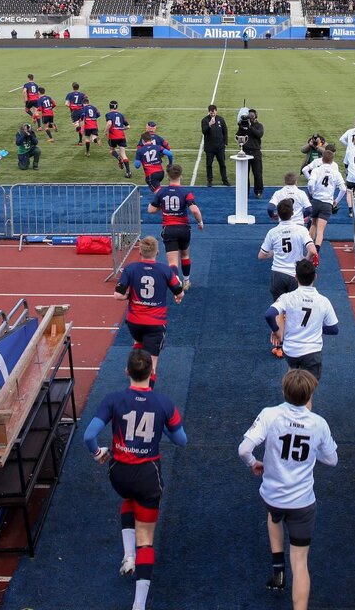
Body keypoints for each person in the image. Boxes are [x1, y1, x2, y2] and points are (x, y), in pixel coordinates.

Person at [84, 349, 188, 610]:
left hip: (118, 473)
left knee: (128, 498)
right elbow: (181, 440)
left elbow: (88, 436)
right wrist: (162, 424)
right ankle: (139, 605)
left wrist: (98, 453)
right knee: (147, 539)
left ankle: (128, 556)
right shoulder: (164, 403)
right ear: (152, 373)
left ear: (127, 372)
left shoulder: (113, 399)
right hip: (147, 476)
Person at [238, 369, 338, 609]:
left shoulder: (270, 415)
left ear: (284, 391)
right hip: (302, 503)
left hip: (272, 496)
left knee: (274, 516)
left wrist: (254, 464)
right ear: (310, 395)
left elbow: (244, 449)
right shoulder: (318, 424)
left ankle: (278, 570)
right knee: (300, 562)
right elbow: (332, 460)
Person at [114, 236, 185, 379]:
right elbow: (179, 292)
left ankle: (131, 368)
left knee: (138, 343)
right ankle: (144, 398)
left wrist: (131, 297)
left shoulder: (130, 269)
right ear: (157, 253)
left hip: (134, 322)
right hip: (155, 323)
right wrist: (178, 296)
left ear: (140, 252)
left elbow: (117, 295)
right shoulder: (165, 270)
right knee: (151, 367)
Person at [264, 259, 339, 372]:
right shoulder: (323, 301)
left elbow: (269, 314)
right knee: (308, 385)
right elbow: (334, 329)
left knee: (292, 376)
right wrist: (315, 327)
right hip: (312, 352)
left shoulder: (287, 298)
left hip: (291, 351)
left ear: (296, 277)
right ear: (315, 277)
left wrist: (276, 331)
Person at [147, 164, 204, 291]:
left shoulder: (161, 192)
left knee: (172, 262)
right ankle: (187, 281)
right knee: (184, 255)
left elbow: (150, 210)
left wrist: (163, 206)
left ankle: (175, 283)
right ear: (181, 176)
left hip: (169, 229)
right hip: (184, 229)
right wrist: (200, 223)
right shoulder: (186, 192)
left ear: (168, 176)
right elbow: (194, 210)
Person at [260, 199, 318, 301]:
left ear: (278, 213)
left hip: (277, 274)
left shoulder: (272, 232)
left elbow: (261, 255)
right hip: (294, 274)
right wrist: (305, 260)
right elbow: (313, 251)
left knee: (279, 310)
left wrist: (275, 252)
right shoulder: (301, 230)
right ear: (292, 213)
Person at [303, 149, 344, 249]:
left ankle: (308, 248)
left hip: (316, 201)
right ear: (332, 160)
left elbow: (310, 183)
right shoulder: (336, 173)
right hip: (327, 203)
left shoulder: (317, 170)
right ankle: (316, 252)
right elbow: (343, 189)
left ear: (322, 159)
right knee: (320, 230)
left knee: (313, 224)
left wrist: (312, 192)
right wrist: (336, 201)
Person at [200, 104, 230, 187]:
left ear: (216, 111)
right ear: (208, 112)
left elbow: (225, 131)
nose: (212, 114)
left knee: (222, 164)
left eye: (213, 113)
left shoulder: (221, 119)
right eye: (211, 113)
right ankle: (209, 180)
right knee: (209, 164)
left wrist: (225, 143)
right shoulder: (204, 120)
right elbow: (204, 131)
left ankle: (225, 179)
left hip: (220, 147)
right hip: (209, 147)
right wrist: (209, 125)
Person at [238, 108, 264, 199]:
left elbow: (259, 134)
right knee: (245, 174)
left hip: (256, 152)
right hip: (245, 152)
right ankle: (245, 192)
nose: (251, 118)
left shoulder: (259, 125)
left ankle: (259, 191)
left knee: (257, 173)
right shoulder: (244, 125)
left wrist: (250, 127)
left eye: (252, 116)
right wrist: (241, 125)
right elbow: (238, 135)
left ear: (255, 116)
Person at [106, 100, 132, 177]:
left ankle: (118, 158)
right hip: (121, 136)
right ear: (117, 107)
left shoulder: (108, 114)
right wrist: (121, 129)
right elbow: (128, 126)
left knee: (112, 150)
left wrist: (105, 131)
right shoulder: (121, 115)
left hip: (113, 136)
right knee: (123, 154)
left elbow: (109, 123)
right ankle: (128, 172)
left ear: (109, 106)